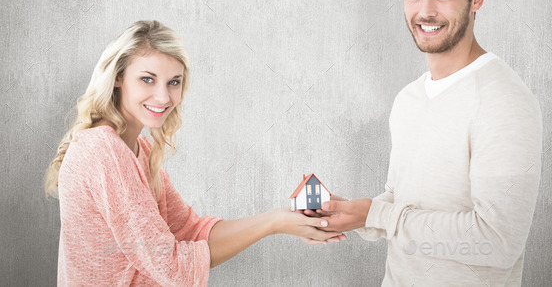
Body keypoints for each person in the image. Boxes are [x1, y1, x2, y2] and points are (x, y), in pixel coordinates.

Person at [308, 0, 543, 286]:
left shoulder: (504, 101)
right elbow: (401, 200)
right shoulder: (408, 100)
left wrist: (380, 215)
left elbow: (498, 242)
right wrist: (354, 214)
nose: (426, 11)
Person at [44, 20, 344, 286]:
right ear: (118, 77)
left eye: (173, 82)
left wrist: (281, 218)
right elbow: (171, 265)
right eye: (147, 79)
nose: (163, 97)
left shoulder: (140, 150)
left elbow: (189, 230)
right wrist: (274, 223)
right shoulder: (103, 150)